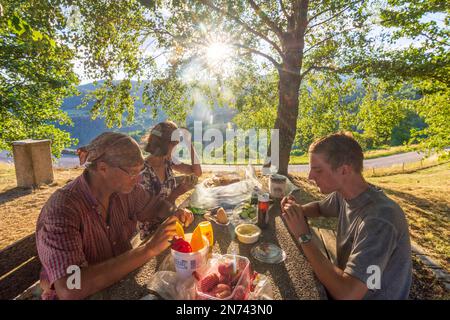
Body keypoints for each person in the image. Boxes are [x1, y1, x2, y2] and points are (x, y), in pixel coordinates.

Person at [36, 132, 194, 300]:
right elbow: (70, 287)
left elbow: (152, 208)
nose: (138, 179)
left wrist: (173, 212)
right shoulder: (63, 208)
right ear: (103, 168)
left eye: (140, 171)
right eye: (132, 173)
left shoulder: (126, 190)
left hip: (121, 285)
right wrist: (149, 249)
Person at [281, 132, 412, 300]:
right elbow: (320, 208)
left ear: (344, 170)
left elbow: (347, 294)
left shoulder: (380, 220)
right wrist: (297, 210)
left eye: (318, 170)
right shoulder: (344, 193)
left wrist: (303, 236)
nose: (310, 177)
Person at [138, 120, 202, 239]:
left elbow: (197, 172)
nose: (175, 149)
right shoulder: (143, 173)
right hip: (153, 235)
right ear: (164, 145)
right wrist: (176, 193)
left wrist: (189, 144)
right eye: (174, 145)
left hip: (170, 222)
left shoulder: (167, 161)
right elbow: (148, 216)